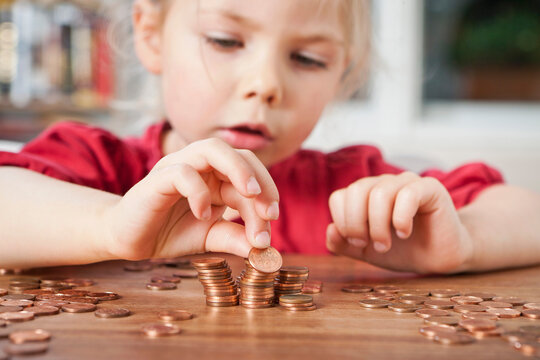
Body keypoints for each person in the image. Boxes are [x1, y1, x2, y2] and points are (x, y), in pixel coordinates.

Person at [1, 0, 539, 274]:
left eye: (308, 58)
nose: (266, 85)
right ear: (150, 34)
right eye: (226, 40)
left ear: (342, 74)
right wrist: (108, 225)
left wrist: (464, 242)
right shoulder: (97, 162)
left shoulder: (359, 187)